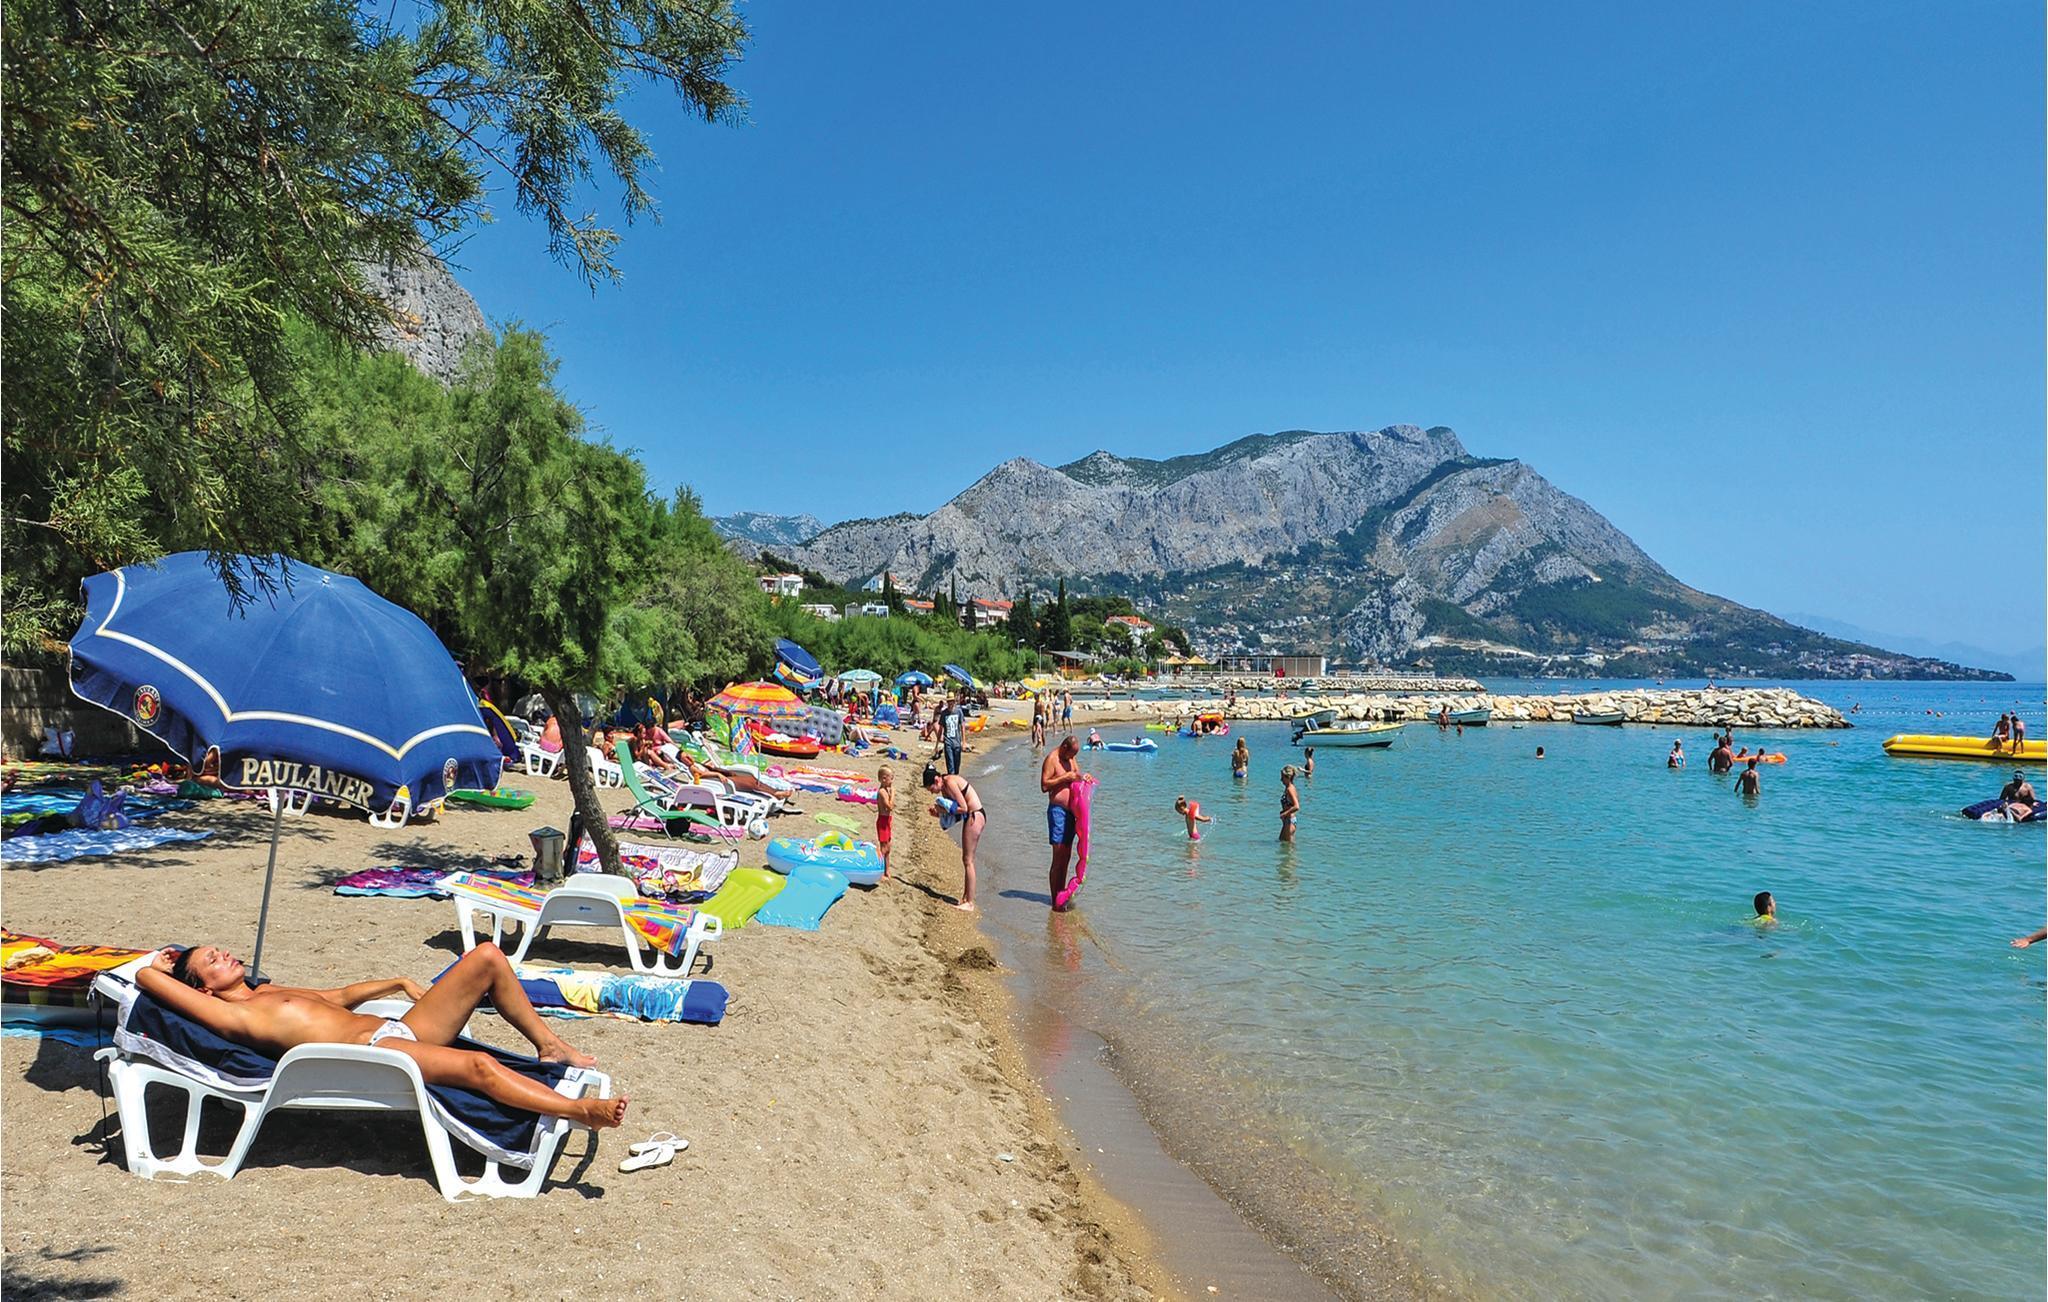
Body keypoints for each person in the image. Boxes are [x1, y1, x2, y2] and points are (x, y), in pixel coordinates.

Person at [136, 942, 626, 1130]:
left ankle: (549, 1045)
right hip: (373, 1054)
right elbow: (147, 979)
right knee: (480, 1066)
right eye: (212, 960)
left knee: (487, 958)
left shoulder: (267, 991)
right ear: (202, 987)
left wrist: (396, 982)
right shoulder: (230, 1015)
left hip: (398, 1031)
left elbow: (340, 996)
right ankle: (580, 1111)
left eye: (220, 950)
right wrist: (156, 965)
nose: (224, 955)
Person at [922, 763, 984, 910]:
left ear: (936, 780)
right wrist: (939, 814)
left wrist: (941, 809)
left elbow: (964, 808)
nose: (932, 793)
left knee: (968, 861)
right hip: (972, 816)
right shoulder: (945, 786)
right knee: (966, 860)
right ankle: (966, 898)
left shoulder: (949, 782)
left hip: (974, 816)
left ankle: (969, 902)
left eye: (931, 789)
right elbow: (955, 814)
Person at [1042, 736, 1089, 906]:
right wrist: (1064, 778)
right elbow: (1044, 785)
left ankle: (1061, 896)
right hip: (1058, 811)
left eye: (1074, 755)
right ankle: (1054, 898)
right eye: (1071, 754)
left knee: (1067, 856)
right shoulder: (1052, 759)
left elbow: (1076, 776)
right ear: (1064, 747)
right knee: (1058, 855)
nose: (1072, 758)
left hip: (1071, 813)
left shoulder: (1071, 758)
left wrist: (1084, 777)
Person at [875, 766, 896, 878]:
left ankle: (886, 870)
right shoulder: (882, 792)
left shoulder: (886, 790)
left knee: (888, 848)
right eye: (890, 778)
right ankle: (878, 868)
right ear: (883, 779)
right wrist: (893, 795)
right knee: (884, 848)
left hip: (887, 820)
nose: (892, 781)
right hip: (883, 822)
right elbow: (889, 807)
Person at [939, 696, 964, 775]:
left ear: (954, 702)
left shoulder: (959, 712)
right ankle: (951, 778)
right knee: (950, 765)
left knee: (957, 766)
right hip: (948, 742)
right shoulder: (944, 713)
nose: (950, 703)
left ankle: (955, 779)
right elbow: (941, 728)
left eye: (952, 701)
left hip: (957, 742)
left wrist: (964, 742)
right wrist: (937, 743)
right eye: (949, 701)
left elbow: (962, 726)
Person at [1278, 765, 1300, 842]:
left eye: (1282, 777)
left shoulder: (1290, 789)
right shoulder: (1289, 788)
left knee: (1288, 846)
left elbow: (1296, 806)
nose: (1281, 780)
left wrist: (1284, 814)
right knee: (1283, 843)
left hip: (1289, 821)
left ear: (1288, 777)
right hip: (1288, 820)